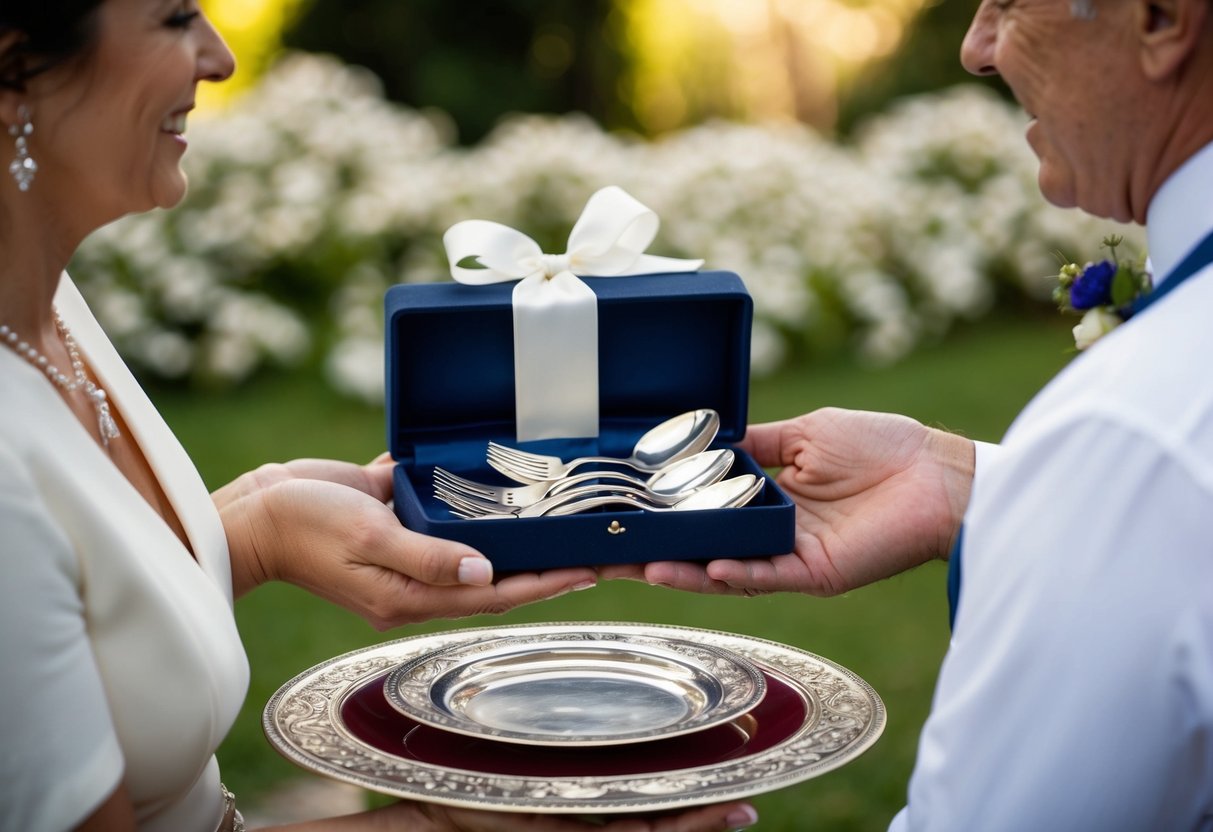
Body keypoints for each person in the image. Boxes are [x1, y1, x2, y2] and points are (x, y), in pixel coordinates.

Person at [0, 3, 764, 831]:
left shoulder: (50, 309)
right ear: (12, 69)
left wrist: (255, 533)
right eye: (176, 16)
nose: (219, 58)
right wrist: (428, 827)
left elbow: (102, 602)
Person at [617, 0, 1213, 827]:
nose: (976, 47)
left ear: (1159, 17)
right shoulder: (1141, 447)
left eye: (1009, 2)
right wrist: (971, 485)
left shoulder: (1131, 432)